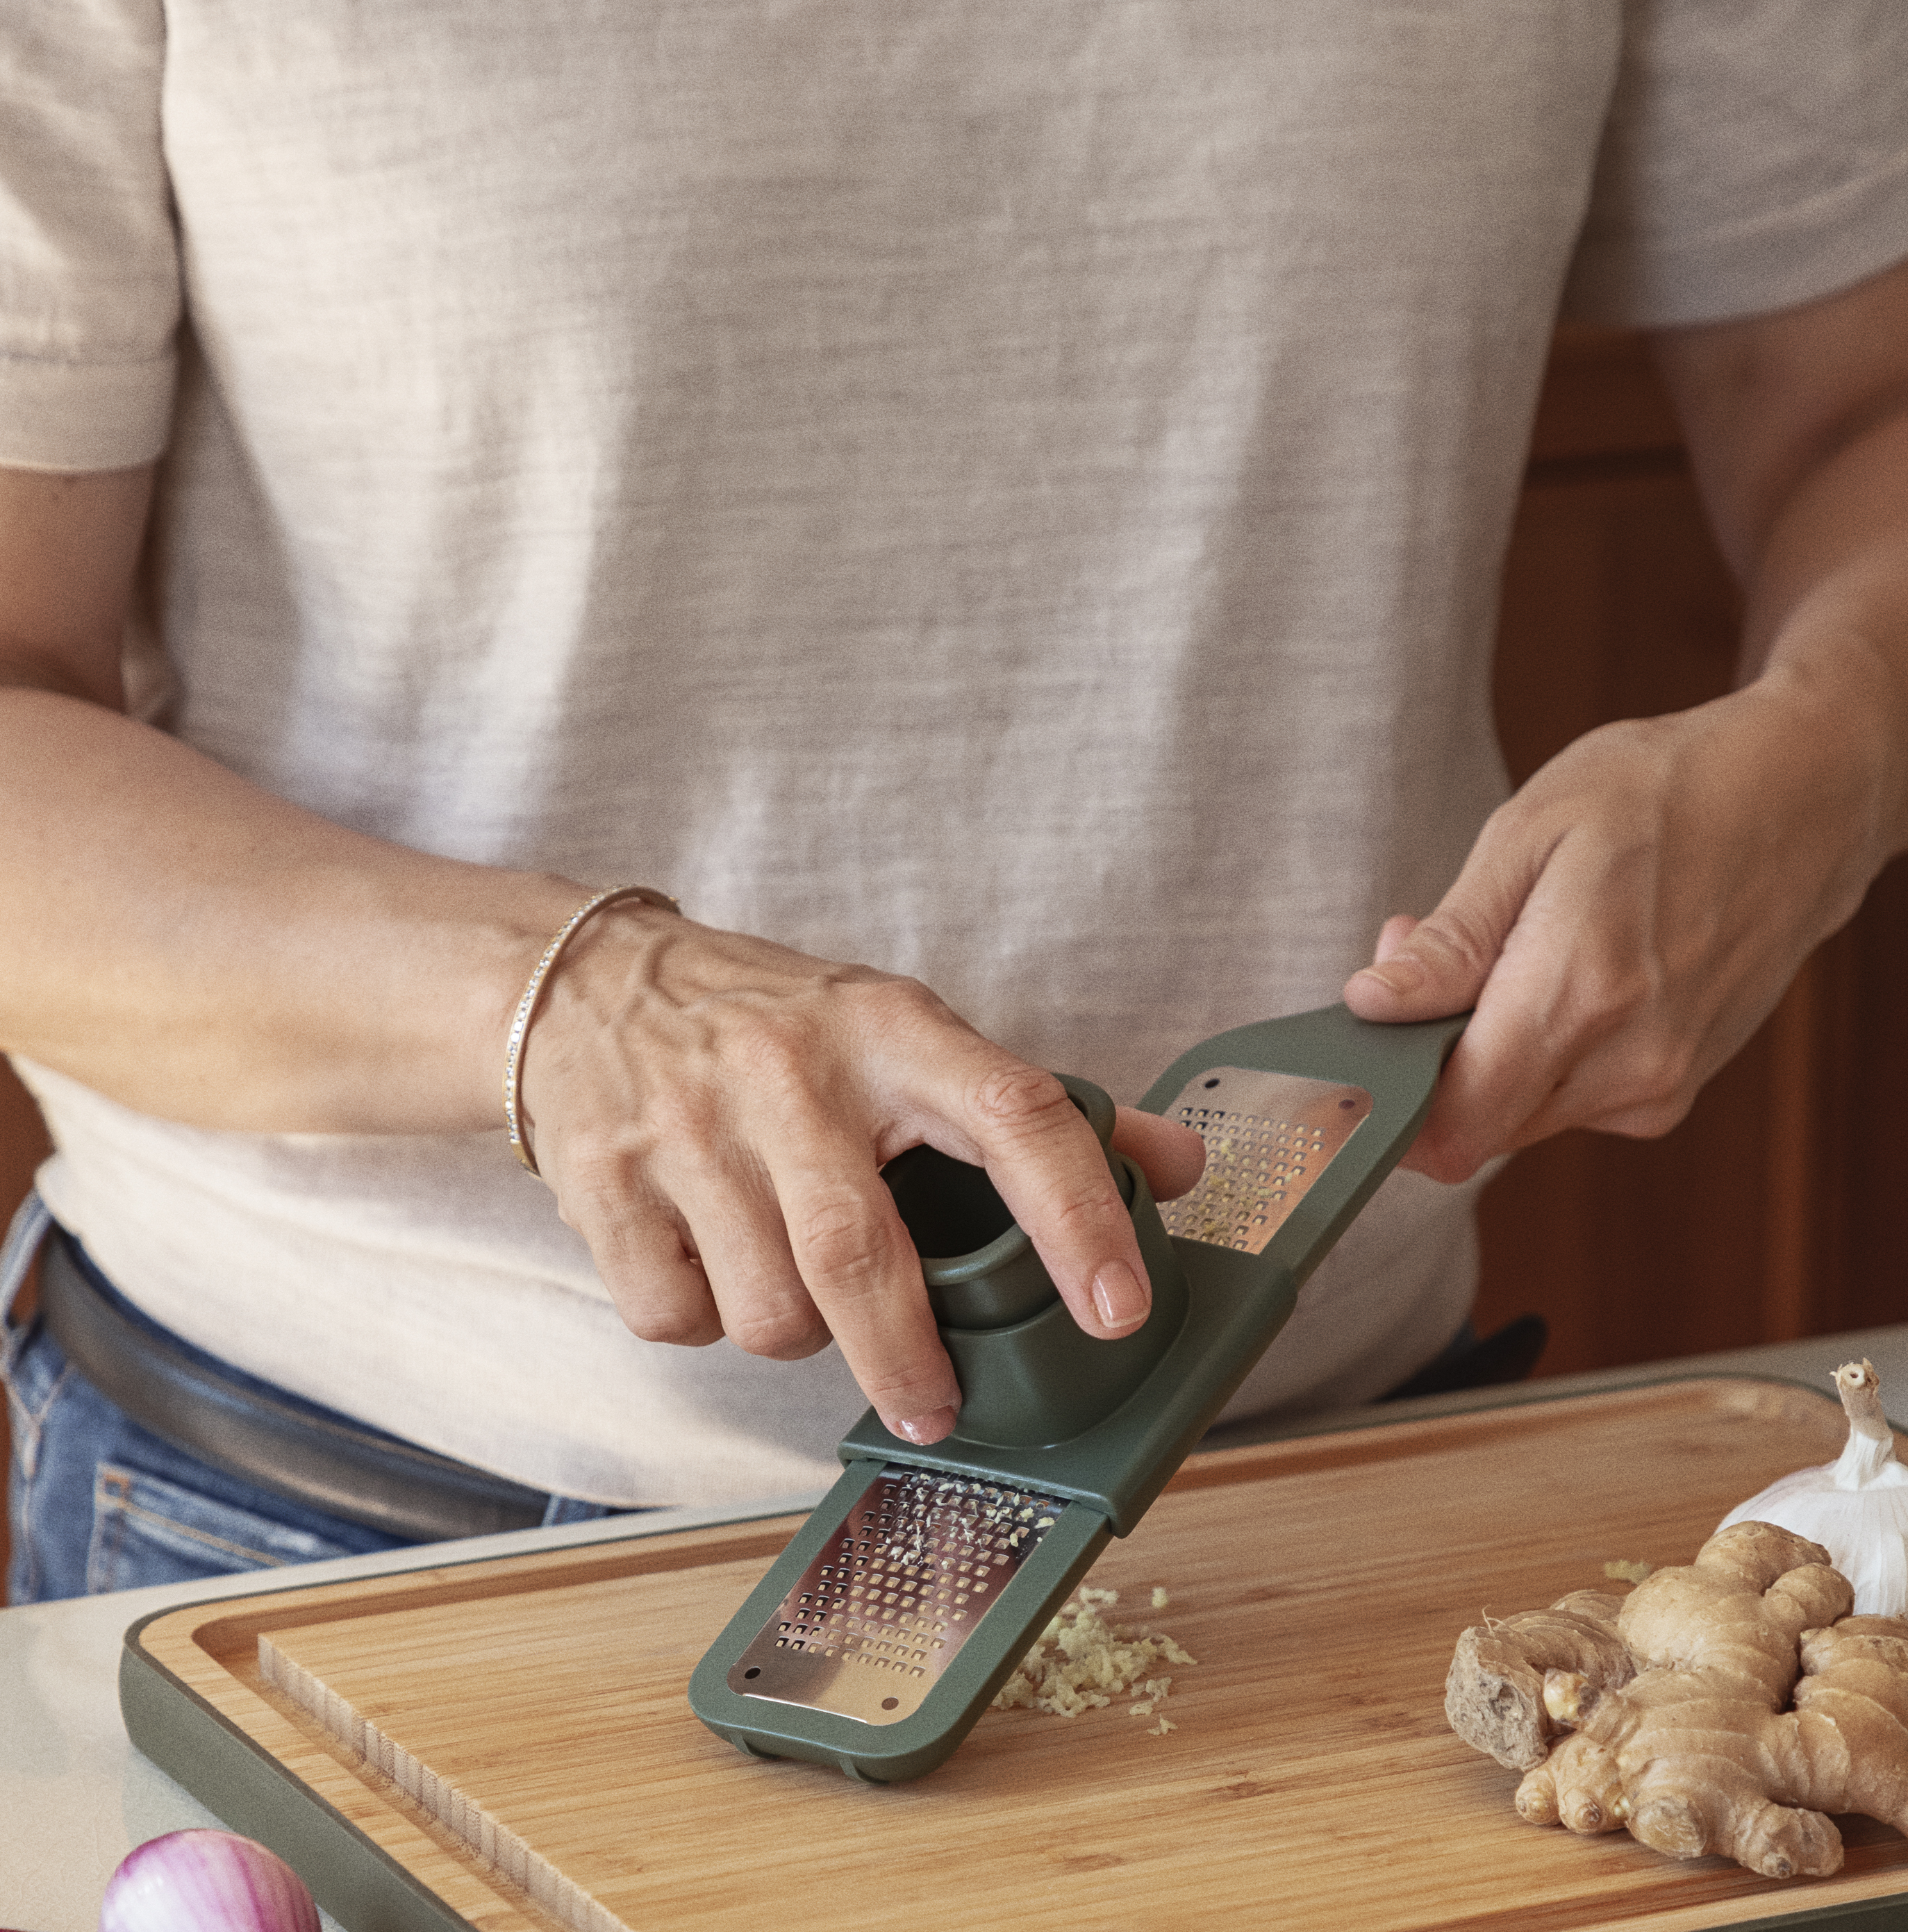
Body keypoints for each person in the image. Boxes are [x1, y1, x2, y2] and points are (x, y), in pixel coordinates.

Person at [1, 3, 1905, 1602]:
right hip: (355, 1526)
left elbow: (1856, 409)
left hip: (1330, 1479)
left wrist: (1829, 746)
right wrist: (567, 1004)